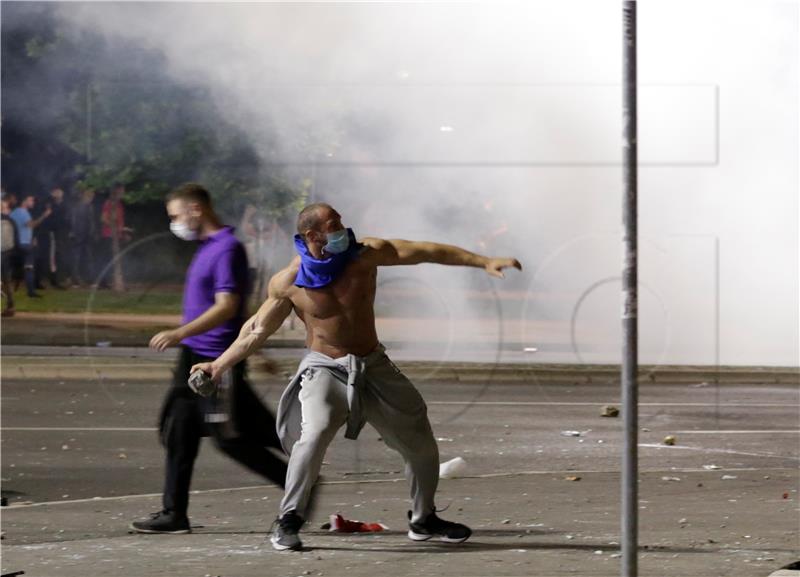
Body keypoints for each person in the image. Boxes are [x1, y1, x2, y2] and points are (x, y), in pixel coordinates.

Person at [192, 202, 522, 551]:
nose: (341, 229)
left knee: (420, 441)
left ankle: (423, 519)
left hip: (372, 364)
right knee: (314, 433)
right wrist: (217, 365)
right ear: (312, 235)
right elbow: (254, 331)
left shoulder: (366, 255)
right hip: (324, 368)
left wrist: (482, 261)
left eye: (340, 221)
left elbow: (426, 250)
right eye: (333, 224)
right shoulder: (289, 281)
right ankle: (288, 519)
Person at [130, 183, 288, 534]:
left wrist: (179, 332)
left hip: (215, 361)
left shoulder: (228, 249)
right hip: (196, 356)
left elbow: (228, 306)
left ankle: (298, 483)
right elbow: (241, 311)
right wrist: (258, 350)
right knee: (178, 431)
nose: (174, 223)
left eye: (175, 215)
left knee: (232, 438)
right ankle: (174, 513)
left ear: (195, 209)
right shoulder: (208, 248)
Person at [9, 195, 51, 298]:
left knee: (17, 267)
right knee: (29, 267)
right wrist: (44, 216)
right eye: (31, 200)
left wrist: (32, 238)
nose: (33, 202)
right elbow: (31, 225)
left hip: (16, 243)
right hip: (25, 245)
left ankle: (15, 287)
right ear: (24, 201)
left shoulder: (14, 212)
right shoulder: (23, 213)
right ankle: (31, 291)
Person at [69, 188, 97, 287]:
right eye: (90, 197)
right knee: (77, 258)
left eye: (92, 197)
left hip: (86, 236)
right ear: (85, 196)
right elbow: (73, 221)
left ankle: (90, 280)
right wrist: (73, 232)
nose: (91, 199)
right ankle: (75, 281)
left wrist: (91, 233)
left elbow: (91, 222)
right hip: (79, 235)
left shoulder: (89, 207)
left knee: (88, 258)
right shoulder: (77, 207)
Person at [1, 198, 19, 316]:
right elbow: (16, 238)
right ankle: (11, 306)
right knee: (7, 280)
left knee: (6, 280)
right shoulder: (11, 221)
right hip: (8, 252)